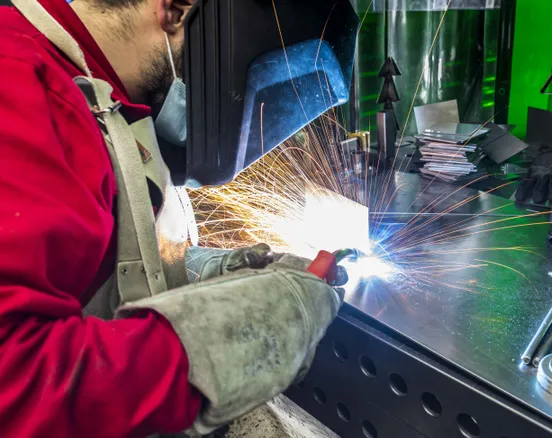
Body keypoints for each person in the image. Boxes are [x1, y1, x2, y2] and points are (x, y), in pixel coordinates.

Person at [0, 0, 354, 436]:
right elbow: (16, 385)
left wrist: (187, 272)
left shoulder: (88, 91)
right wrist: (224, 338)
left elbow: (77, 272)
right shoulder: (20, 85)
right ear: (177, 9)